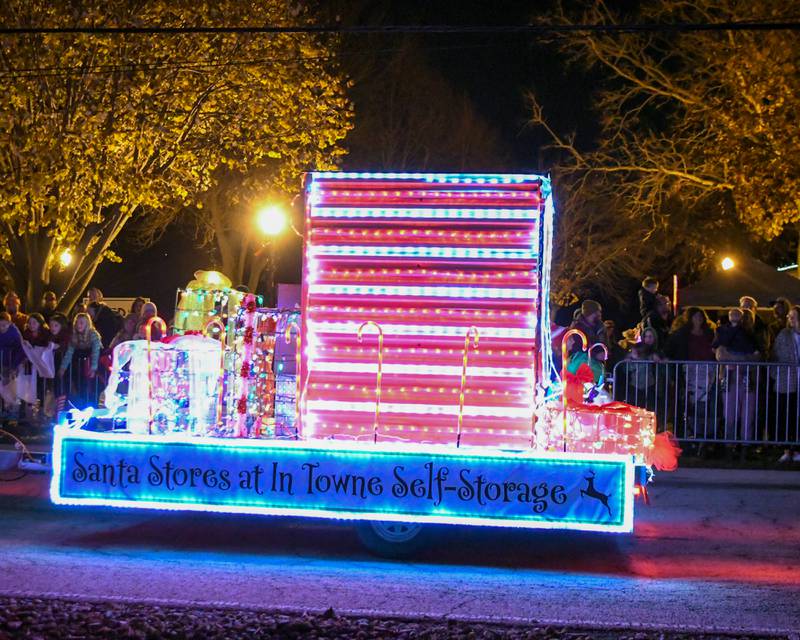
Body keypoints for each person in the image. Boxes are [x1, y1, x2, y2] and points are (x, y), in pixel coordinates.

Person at [713, 308, 760, 443]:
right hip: (730, 378)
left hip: (747, 378)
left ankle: (745, 445)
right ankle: (729, 445)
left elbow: (758, 356)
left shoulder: (751, 336)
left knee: (747, 415)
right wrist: (743, 358)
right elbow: (720, 354)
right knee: (730, 414)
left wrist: (733, 358)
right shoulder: (723, 332)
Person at [770, 305, 800, 462]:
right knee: (786, 415)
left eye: (793, 316)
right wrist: (777, 375)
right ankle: (787, 448)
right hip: (787, 380)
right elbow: (776, 354)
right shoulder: (784, 334)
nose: (790, 319)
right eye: (790, 316)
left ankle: (797, 449)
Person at [59, 313, 102, 380]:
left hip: (95, 362)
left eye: (81, 323)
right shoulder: (74, 336)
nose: (78, 325)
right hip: (82, 365)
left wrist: (93, 368)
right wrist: (63, 367)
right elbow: (69, 353)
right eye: (77, 322)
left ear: (87, 324)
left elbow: (95, 352)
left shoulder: (93, 335)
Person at [0, 311, 25, 384]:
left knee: (9, 385)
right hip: (1, 362)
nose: (1, 328)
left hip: (11, 363)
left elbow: (20, 349)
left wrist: (14, 366)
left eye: (4, 325)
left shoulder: (14, 333)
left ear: (9, 323)